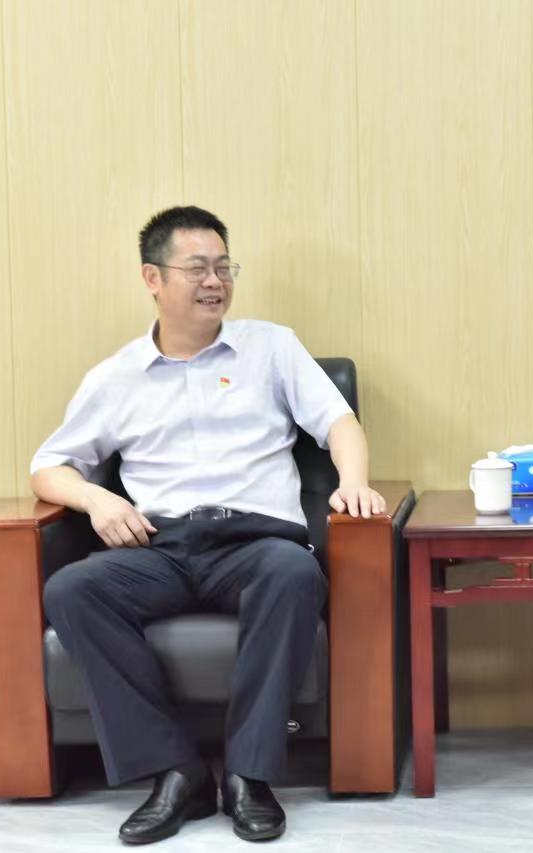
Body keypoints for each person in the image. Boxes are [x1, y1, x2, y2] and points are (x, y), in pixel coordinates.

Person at [32, 205, 384, 844]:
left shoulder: (271, 347)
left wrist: (354, 482)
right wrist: (95, 500)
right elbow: (48, 466)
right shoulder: (115, 377)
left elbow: (339, 423)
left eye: (224, 267)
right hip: (159, 547)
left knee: (293, 573)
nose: (215, 281)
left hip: (256, 544)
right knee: (72, 590)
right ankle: (176, 773)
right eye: (197, 268)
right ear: (153, 278)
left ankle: (249, 774)